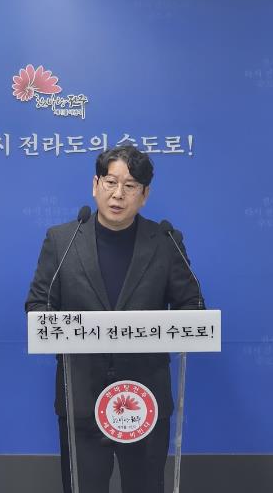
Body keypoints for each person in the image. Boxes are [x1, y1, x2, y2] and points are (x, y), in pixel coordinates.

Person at [25, 145, 202, 493]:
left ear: (144, 194)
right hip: (81, 400)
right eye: (110, 182)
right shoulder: (61, 241)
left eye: (130, 186)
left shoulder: (165, 242)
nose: (118, 194)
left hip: (145, 399)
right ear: (95, 185)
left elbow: (192, 307)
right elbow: (38, 308)